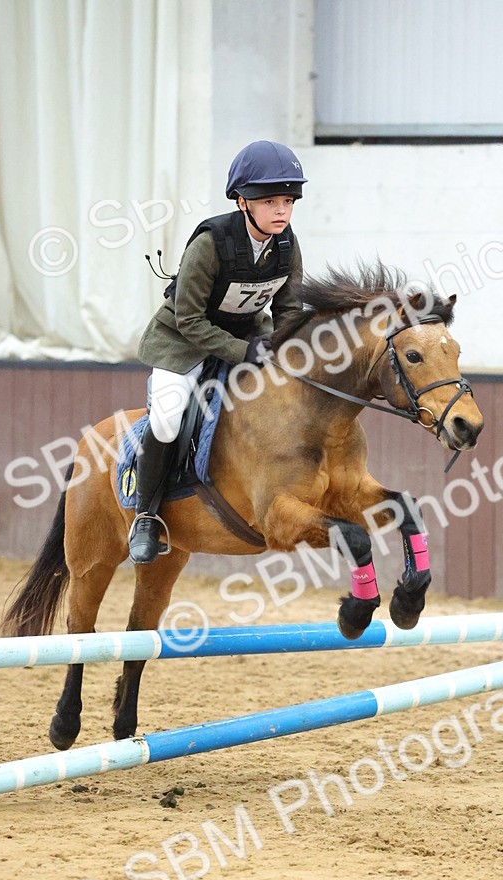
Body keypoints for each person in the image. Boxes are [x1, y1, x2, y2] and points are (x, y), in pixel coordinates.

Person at [130, 140, 307, 564]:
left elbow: (288, 309)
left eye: (288, 200)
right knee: (169, 419)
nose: (281, 210)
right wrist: (244, 351)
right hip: (182, 343)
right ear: (243, 202)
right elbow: (189, 319)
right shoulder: (210, 244)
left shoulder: (287, 244)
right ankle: (146, 517)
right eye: (270, 201)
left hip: (249, 337)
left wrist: (284, 350)